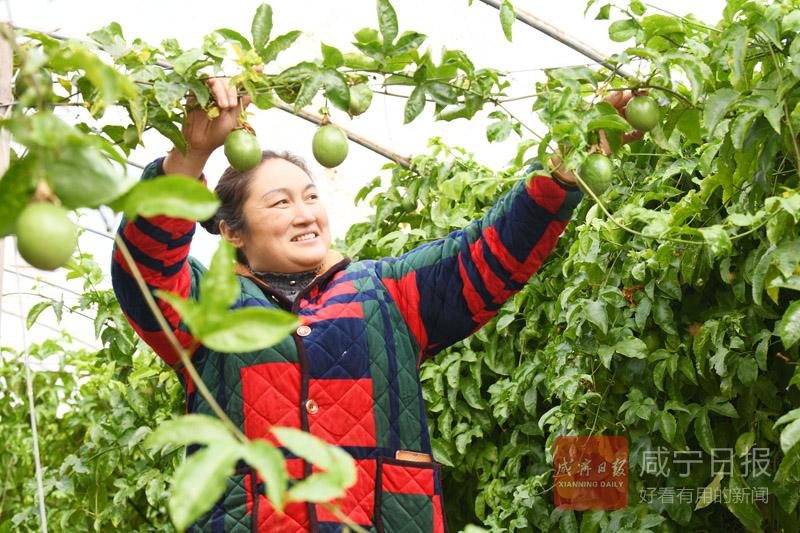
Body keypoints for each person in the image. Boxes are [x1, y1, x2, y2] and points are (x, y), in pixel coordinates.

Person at [111, 78, 636, 532]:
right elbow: (145, 268)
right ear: (231, 232)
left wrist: (563, 173)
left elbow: (488, 253)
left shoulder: (385, 293)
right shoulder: (209, 308)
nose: (304, 213)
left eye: (310, 196)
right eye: (279, 202)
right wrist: (189, 156)